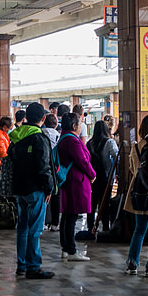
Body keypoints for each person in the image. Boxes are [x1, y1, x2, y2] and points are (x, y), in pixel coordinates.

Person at [9, 102, 54, 279]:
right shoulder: (39, 137)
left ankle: (22, 264)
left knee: (22, 228)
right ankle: (33, 266)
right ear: (43, 118)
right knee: (34, 229)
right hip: (35, 189)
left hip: (19, 188)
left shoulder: (16, 136)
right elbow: (44, 166)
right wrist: (49, 187)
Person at [122, 114, 148, 277]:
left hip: (139, 190)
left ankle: (132, 263)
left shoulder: (136, 147)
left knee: (139, 230)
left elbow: (133, 168)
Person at [57, 112, 95, 262]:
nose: (80, 127)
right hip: (75, 181)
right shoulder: (72, 140)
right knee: (71, 216)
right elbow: (82, 161)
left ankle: (66, 248)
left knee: (67, 215)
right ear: (74, 126)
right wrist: (92, 174)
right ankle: (71, 250)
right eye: (79, 124)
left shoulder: (64, 137)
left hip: (70, 181)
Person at [87, 119, 119, 231]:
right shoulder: (109, 142)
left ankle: (90, 227)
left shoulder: (89, 143)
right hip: (106, 178)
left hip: (92, 178)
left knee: (92, 202)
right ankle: (105, 227)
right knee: (105, 203)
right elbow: (117, 157)